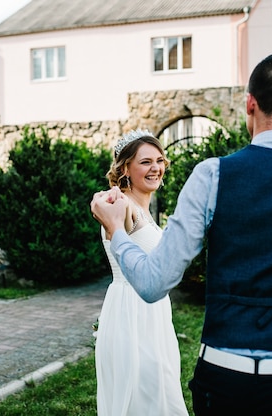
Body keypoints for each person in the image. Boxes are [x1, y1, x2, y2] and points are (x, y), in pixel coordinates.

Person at [91, 53, 272, 415]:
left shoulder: (212, 176)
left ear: (250, 104)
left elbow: (155, 284)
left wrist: (116, 233)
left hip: (228, 379)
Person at [94, 129, 189, 416]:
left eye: (159, 160)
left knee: (159, 388)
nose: (156, 168)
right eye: (145, 162)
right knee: (143, 394)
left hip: (153, 312)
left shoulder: (143, 209)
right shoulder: (123, 205)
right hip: (131, 313)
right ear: (125, 168)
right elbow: (104, 209)